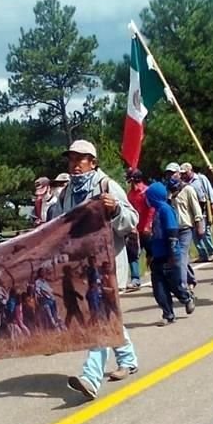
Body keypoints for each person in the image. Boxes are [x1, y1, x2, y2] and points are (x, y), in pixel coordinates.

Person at [48, 139, 139, 398]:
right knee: (106, 316)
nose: (75, 165)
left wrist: (116, 208)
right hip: (80, 267)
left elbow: (132, 219)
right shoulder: (65, 194)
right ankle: (128, 358)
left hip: (106, 265)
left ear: (93, 162)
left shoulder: (107, 186)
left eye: (81, 159)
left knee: (98, 319)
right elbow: (58, 228)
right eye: (72, 159)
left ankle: (91, 377)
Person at [145, 181, 196, 325]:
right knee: (159, 289)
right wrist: (150, 254)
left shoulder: (166, 210)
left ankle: (186, 298)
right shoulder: (156, 212)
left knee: (176, 285)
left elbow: (172, 232)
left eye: (148, 197)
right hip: (158, 257)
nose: (147, 200)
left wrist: (173, 255)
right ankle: (168, 314)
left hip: (169, 256)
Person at [164, 162, 203, 291]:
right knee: (180, 257)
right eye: (168, 174)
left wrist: (199, 225)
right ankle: (190, 278)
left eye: (173, 173)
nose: (170, 176)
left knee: (180, 255)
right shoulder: (167, 192)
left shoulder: (188, 189)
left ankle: (183, 286)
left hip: (185, 229)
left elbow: (196, 209)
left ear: (179, 174)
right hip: (172, 230)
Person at [180, 163, 213, 262]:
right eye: (182, 173)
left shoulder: (200, 178)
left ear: (190, 170)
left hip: (203, 208)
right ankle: (202, 254)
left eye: (185, 173)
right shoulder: (183, 183)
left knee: (205, 232)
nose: (184, 175)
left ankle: (211, 251)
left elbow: (209, 190)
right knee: (194, 234)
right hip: (191, 209)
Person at [125, 169, 153, 291]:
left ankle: (156, 276)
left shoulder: (146, 192)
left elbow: (152, 209)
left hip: (148, 229)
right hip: (135, 230)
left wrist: (148, 225)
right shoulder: (130, 195)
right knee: (132, 253)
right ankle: (135, 279)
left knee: (152, 254)